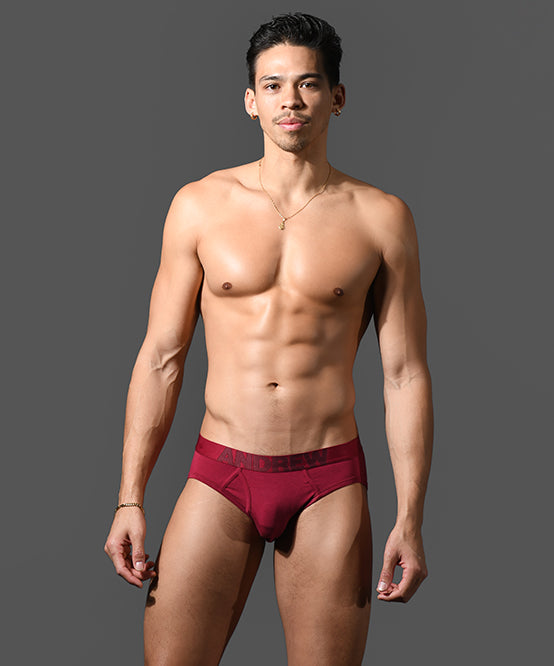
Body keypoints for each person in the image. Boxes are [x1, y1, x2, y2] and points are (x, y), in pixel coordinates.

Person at [104, 12, 433, 665]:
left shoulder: (381, 218)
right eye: (274, 85)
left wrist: (410, 517)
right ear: (252, 101)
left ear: (336, 97)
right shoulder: (200, 206)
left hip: (327, 479)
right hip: (220, 471)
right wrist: (129, 498)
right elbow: (162, 358)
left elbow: (405, 374)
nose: (291, 100)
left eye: (308, 84)